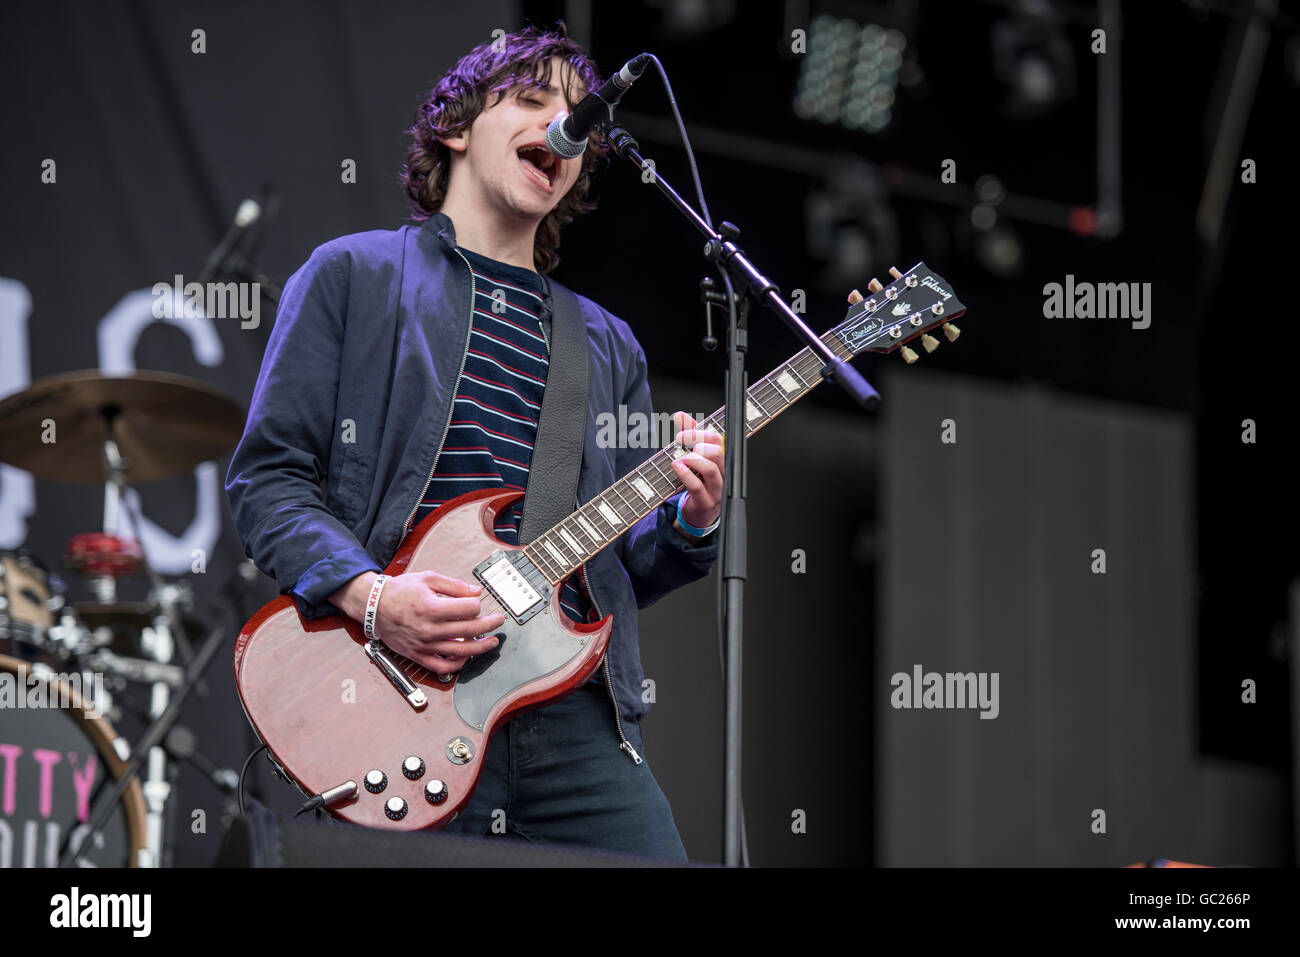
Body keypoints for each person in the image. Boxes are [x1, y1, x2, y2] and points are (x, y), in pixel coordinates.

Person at [224, 25, 724, 862]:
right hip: (392, 690)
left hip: (569, 717)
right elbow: (268, 481)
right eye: (532, 101)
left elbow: (620, 573)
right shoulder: (353, 277)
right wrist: (375, 598)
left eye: (578, 117)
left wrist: (690, 520)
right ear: (455, 127)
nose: (562, 125)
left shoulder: (607, 345)